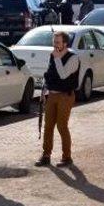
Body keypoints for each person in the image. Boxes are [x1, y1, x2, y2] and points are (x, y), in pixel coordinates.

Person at [35, 31, 80, 168]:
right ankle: (46, 155)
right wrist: (44, 90)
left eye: (58, 42)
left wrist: (57, 58)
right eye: (54, 42)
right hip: (52, 94)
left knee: (61, 126)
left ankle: (67, 157)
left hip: (65, 96)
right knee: (48, 126)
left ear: (65, 43)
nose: (55, 45)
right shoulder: (53, 55)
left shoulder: (73, 58)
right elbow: (49, 74)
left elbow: (63, 75)